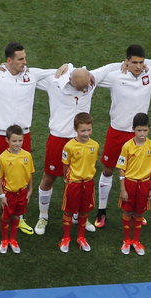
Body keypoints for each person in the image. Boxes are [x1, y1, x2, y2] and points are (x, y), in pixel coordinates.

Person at [0, 42, 56, 238]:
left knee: (21, 178)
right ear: (9, 60)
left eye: (25, 57)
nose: (25, 62)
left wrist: (69, 66)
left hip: (23, 135)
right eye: (20, 59)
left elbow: (61, 71)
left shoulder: (32, 75)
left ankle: (19, 218)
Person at [90, 45, 151, 230]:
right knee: (109, 170)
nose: (138, 66)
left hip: (139, 135)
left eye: (141, 62)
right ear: (126, 62)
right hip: (117, 132)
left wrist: (148, 64)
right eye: (133, 62)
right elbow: (89, 75)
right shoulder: (114, 76)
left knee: (139, 173)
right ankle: (102, 210)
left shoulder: (150, 74)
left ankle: (136, 213)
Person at [35, 63, 95, 234]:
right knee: (49, 177)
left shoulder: (90, 81)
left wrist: (128, 65)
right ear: (71, 80)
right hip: (58, 139)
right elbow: (29, 73)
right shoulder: (53, 81)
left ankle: (79, 214)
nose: (85, 90)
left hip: (80, 141)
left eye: (86, 87)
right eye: (81, 87)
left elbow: (112, 68)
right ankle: (43, 216)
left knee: (81, 180)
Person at [116, 112, 151, 255]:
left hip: (145, 185)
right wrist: (123, 189)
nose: (142, 134)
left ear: (149, 129)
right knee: (127, 211)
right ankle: (126, 240)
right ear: (133, 129)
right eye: (139, 130)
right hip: (129, 184)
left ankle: (136, 240)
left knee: (139, 213)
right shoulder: (127, 146)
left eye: (145, 130)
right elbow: (121, 169)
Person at [58, 111, 100, 253]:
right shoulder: (69, 146)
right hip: (73, 183)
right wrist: (68, 180)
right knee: (69, 211)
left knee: (84, 210)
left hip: (88, 182)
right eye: (82, 130)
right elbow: (65, 165)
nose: (86, 133)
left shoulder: (95, 145)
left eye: (89, 130)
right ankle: (66, 238)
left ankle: (81, 237)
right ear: (76, 129)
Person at [0, 124, 34, 254]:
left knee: (17, 216)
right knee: (6, 217)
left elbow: (30, 173)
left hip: (22, 192)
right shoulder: (2, 158)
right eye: (14, 141)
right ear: (7, 140)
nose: (17, 144)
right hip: (8, 194)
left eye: (20, 140)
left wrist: (30, 189)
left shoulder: (27, 155)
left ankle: (13, 239)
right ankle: (4, 240)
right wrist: (2, 196)